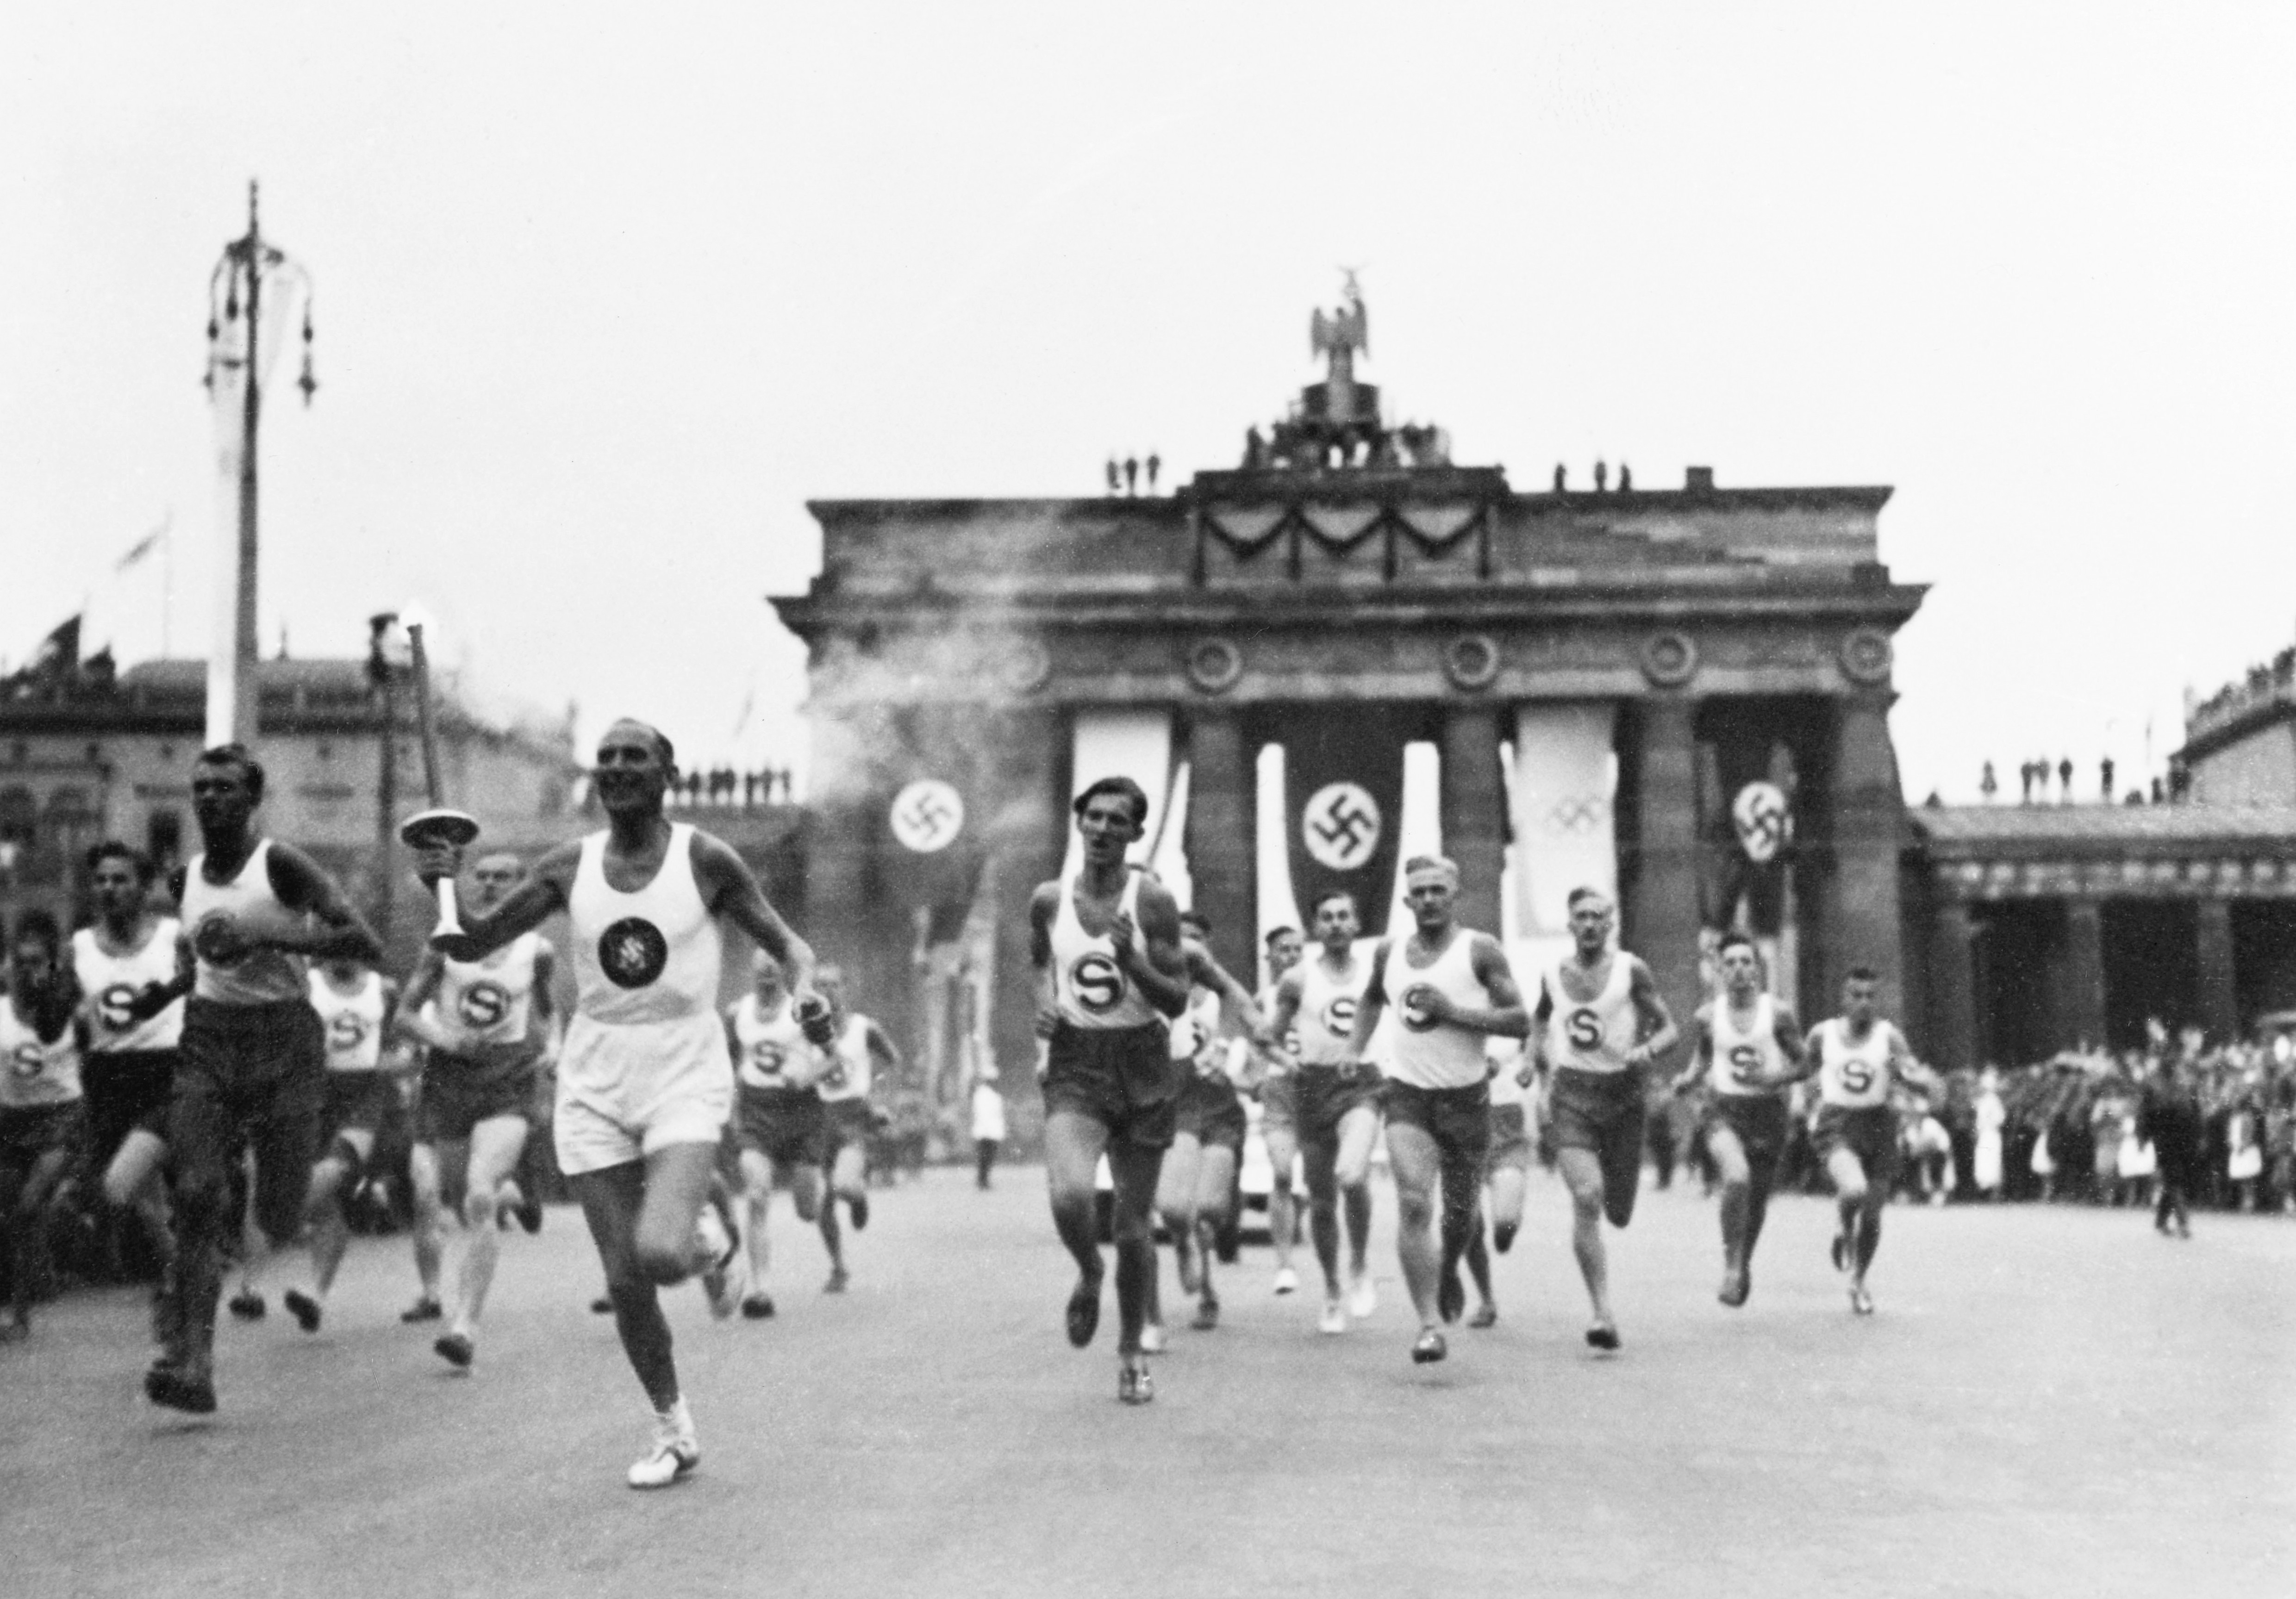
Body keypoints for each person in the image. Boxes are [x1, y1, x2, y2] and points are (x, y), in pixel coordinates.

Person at [413, 718, 821, 1487]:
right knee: (627, 1279)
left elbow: (788, 945)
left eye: (635, 757)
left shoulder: (706, 858)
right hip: (596, 1075)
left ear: (668, 771)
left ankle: (709, 1243)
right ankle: (672, 1427)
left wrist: (807, 996)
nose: (618, 768)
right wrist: (437, 878)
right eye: (606, 759)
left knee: (661, 1252)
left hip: (684, 1069)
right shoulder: (570, 865)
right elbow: (469, 943)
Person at [146, 744, 385, 1414]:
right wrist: (160, 996)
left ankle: (305, 1197)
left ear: (253, 799)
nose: (210, 798)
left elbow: (365, 942)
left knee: (278, 1214)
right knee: (195, 1193)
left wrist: (280, 943)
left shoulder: (280, 864)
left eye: (224, 787)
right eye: (200, 787)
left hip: (285, 1040)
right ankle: (194, 1362)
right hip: (211, 1038)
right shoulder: (183, 880)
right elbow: (205, 964)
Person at [1028, 776, 1190, 1405]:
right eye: (1092, 817)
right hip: (1078, 1059)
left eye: (1115, 821)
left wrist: (1135, 964)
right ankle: (1088, 1269)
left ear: (1134, 833)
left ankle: (1130, 1352)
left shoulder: (1153, 902)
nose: (1101, 829)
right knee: (1070, 1192)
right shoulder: (1048, 898)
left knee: (1131, 1226)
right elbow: (1041, 960)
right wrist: (1045, 1004)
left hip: (1144, 1061)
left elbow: (1176, 999)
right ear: (1079, 823)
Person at [1349, 856, 1528, 1365]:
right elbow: (1368, 1000)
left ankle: (1449, 1266)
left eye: (1437, 891)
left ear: (1454, 895)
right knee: (1412, 1203)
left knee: (1458, 1217)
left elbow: (1518, 1021)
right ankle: (1428, 1323)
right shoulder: (1389, 951)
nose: (1428, 899)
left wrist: (1453, 1012)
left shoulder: (1480, 949)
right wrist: (1352, 1049)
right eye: (1419, 892)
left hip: (1466, 1100)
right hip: (1408, 1096)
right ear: (1406, 900)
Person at [393, 851, 558, 1368]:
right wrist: (444, 1037)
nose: (489, 886)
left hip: (507, 1079)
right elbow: (403, 1015)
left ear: (518, 888)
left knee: (478, 1198)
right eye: (481, 877)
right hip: (449, 1080)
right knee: (460, 1194)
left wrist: (553, 1050)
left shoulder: (538, 950)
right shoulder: (445, 945)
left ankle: (464, 1325)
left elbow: (551, 1014)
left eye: (502, 878)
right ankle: (519, 1192)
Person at [1520, 887, 1678, 1351]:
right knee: (1587, 1196)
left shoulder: (1631, 970)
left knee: (1619, 1211)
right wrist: (1531, 1057)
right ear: (1569, 924)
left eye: (1597, 917)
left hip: (1623, 1097)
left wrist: (1646, 1049)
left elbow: (1670, 1028)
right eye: (1580, 917)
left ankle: (1602, 1301)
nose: (1589, 924)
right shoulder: (1552, 973)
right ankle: (1601, 1312)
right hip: (1571, 1095)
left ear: (1610, 924)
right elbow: (1539, 1020)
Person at [1764, 967, 1939, 1314]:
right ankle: (1844, 1228)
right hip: (1839, 1122)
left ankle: (1858, 1280)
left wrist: (1918, 1080)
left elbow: (1903, 1069)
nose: (1864, 1003)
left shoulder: (1888, 1038)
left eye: (1870, 996)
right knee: (1854, 1190)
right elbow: (1804, 1069)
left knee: (1872, 1217)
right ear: (1844, 999)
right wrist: (1771, 1079)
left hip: (1878, 1123)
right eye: (1856, 995)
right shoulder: (1823, 1034)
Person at [1261, 890, 1383, 1334]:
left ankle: (1360, 1264)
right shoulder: (1296, 978)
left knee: (1352, 1175)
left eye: (1343, 916)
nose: (1335, 924)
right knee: (1322, 1201)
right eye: (1326, 917)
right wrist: (1285, 1059)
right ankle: (1332, 1290)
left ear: (1355, 924)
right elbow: (1268, 1036)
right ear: (1316, 928)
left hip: (1360, 1084)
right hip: (1312, 1087)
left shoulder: (1375, 973)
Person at [73, 843, 186, 1286]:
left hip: (164, 1073)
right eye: (101, 880)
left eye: (120, 879)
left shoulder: (173, 937)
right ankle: (184, 1275)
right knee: (136, 1197)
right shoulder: (78, 946)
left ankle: (183, 1275)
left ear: (143, 886)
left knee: (138, 1188)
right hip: (106, 1076)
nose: (109, 888)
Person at [1670, 934, 1803, 1307]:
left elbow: (1805, 1064)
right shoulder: (1708, 1015)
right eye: (1731, 963)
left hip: (1768, 1114)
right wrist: (1688, 1078)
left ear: (1758, 968)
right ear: (1719, 970)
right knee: (1736, 1177)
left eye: (1747, 961)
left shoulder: (1778, 1013)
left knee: (1757, 1202)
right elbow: (1703, 1059)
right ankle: (1731, 1265)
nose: (1739, 969)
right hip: (1724, 1110)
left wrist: (1773, 1079)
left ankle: (1744, 1262)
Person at [276, 956, 401, 1332]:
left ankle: (281, 1218)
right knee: (329, 1207)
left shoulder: (384, 989)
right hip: (314, 1094)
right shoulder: (305, 985)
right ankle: (316, 1294)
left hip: (364, 1095)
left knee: (338, 1166)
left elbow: (397, 1043)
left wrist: (397, 1062)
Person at [1155, 912, 1263, 1335]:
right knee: (1177, 1210)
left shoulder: (1223, 998)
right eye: (1178, 938)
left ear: (1208, 945)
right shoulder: (1156, 994)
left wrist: (1237, 1069)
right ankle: (1193, 1264)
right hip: (1174, 1107)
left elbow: (1252, 1062)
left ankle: (1207, 1288)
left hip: (1218, 1110)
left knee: (1212, 1209)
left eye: (1196, 938)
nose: (1187, 946)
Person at [724, 950, 830, 1319]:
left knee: (807, 1209)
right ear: (752, 974)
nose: (767, 982)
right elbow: (728, 1057)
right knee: (756, 1196)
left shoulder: (803, 1009)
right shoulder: (738, 1013)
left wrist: (808, 1075)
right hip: (757, 1112)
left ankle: (819, 1192)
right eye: (761, 975)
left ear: (785, 975)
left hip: (800, 1111)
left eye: (774, 975)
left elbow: (834, 1058)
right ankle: (760, 1290)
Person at [0, 912, 88, 1339]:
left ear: (51, 966)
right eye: (21, 962)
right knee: (17, 1215)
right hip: (11, 1121)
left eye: (37, 962)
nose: (28, 971)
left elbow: (94, 1057)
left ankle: (20, 1315)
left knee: (30, 1204)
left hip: (60, 1118)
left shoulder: (70, 1011)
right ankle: (33, 1290)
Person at [808, 964, 898, 1294]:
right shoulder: (806, 1030)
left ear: (845, 988)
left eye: (834, 984)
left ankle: (858, 1199)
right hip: (820, 1118)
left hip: (855, 1115)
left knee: (844, 1186)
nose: (828, 991)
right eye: (821, 985)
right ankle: (838, 1267)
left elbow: (892, 1061)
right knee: (823, 1202)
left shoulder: (865, 1027)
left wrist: (881, 1098)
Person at [1457, 1035, 1533, 1329]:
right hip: (1463, 1123)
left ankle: (1506, 1232)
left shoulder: (1513, 1018)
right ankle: (1487, 1300)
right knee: (1469, 1221)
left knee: (1505, 1221)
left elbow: (1538, 1051)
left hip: (1505, 1125)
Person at [1253, 924, 1306, 1296]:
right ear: (1269, 957)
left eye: (1296, 949)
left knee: (1325, 1183)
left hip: (1318, 1089)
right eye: (1283, 949)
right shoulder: (1262, 1000)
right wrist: (1257, 1078)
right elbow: (1255, 1047)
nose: (1290, 955)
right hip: (1280, 1092)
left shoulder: (1316, 990)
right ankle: (1285, 1265)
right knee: (1283, 1173)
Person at [1972, 1067, 2005, 1200]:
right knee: (1983, 1161)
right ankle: (1985, 1190)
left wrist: (1989, 1124)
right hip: (1984, 1134)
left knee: (1992, 1161)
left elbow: (2000, 1118)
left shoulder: (1993, 1100)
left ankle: (1995, 1192)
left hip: (1991, 1133)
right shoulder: (1983, 1100)